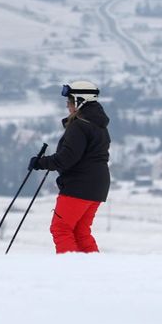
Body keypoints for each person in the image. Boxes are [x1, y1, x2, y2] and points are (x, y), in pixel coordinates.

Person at [29, 80, 110, 254]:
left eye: (70, 101)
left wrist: (40, 163)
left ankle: (70, 270)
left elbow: (66, 159)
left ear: (80, 101)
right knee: (81, 232)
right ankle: (95, 271)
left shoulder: (79, 126)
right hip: (98, 186)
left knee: (61, 229)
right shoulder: (99, 126)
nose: (67, 105)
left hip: (78, 186)